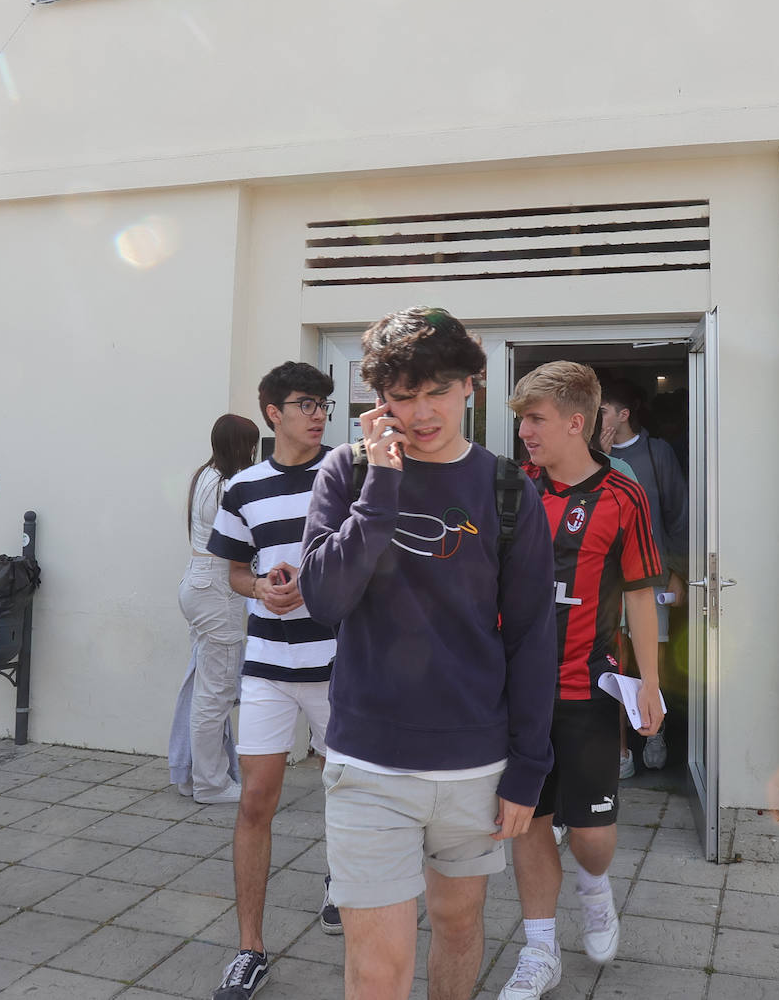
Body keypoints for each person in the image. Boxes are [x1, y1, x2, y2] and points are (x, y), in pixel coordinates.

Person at [299, 307, 556, 1000]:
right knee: (379, 967)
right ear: (379, 401)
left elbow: (533, 636)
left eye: (436, 391)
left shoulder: (509, 490)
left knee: (457, 923)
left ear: (471, 385)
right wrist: (381, 488)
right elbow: (324, 599)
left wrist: (529, 768)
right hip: (368, 764)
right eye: (402, 396)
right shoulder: (346, 475)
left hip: (475, 763)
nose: (420, 412)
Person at [498, 361, 664, 998]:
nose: (525, 433)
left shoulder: (624, 496)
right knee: (529, 819)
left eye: (534, 419)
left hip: (587, 691)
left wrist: (648, 682)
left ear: (576, 421)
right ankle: (540, 948)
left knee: (592, 836)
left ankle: (595, 888)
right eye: (521, 421)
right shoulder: (511, 490)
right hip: (519, 694)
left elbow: (643, 594)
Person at [207, 362, 340, 1000]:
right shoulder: (244, 488)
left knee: (350, 792)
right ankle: (250, 948)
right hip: (268, 664)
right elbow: (234, 572)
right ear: (272, 412)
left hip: (341, 665)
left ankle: (343, 883)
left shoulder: (348, 475)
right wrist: (260, 585)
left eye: (324, 403)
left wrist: (314, 585)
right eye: (306, 403)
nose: (318, 414)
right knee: (256, 801)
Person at [597, 374, 689, 773]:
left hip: (651, 578)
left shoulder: (656, 453)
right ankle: (620, 750)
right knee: (613, 664)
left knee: (654, 662)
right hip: (607, 583)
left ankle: (655, 734)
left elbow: (678, 515)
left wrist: (678, 571)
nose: (592, 417)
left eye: (601, 410)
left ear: (623, 415)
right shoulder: (587, 455)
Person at [169, 413, 261, 804]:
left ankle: (195, 776)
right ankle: (212, 783)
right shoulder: (228, 485)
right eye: (251, 444)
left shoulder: (204, 477)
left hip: (199, 580)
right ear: (240, 446)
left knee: (204, 686)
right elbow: (250, 535)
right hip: (217, 586)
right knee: (216, 692)